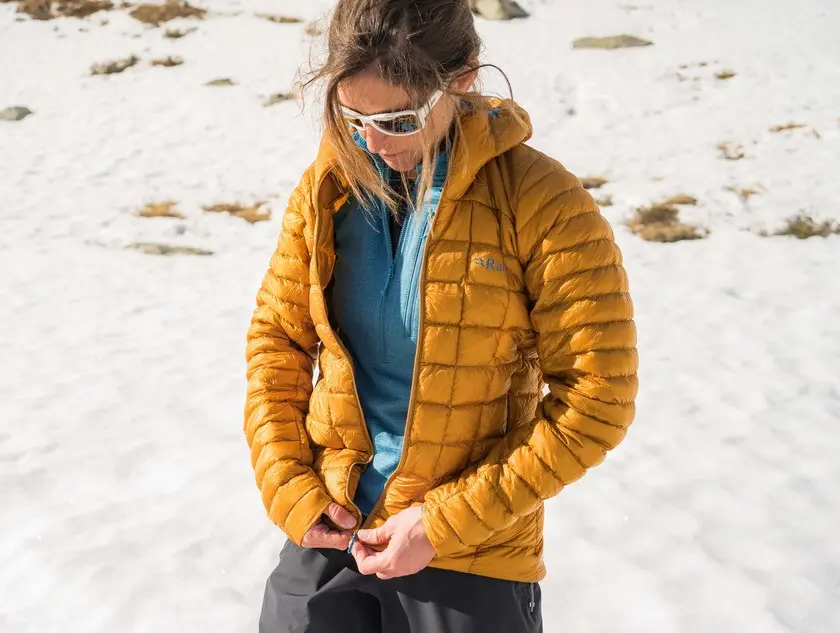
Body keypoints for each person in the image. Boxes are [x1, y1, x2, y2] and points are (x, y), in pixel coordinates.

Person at [243, 1, 639, 631]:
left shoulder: (544, 201)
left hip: (471, 555)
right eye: (354, 118)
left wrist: (443, 521)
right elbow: (278, 341)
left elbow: (598, 397)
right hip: (331, 533)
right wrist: (286, 481)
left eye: (399, 119)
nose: (373, 142)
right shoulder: (328, 187)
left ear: (464, 80)